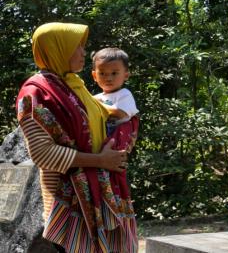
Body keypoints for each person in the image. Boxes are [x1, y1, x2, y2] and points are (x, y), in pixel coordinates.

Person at [16, 22, 138, 253]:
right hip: (68, 197)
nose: (84, 52)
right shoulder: (35, 93)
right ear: (57, 48)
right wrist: (100, 161)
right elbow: (43, 154)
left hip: (100, 190)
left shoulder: (73, 85)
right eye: (77, 46)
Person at [91, 47, 139, 135]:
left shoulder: (124, 94)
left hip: (118, 141)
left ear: (126, 75)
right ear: (94, 76)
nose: (108, 78)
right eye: (102, 73)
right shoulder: (95, 98)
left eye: (114, 73)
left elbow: (120, 113)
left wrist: (96, 104)